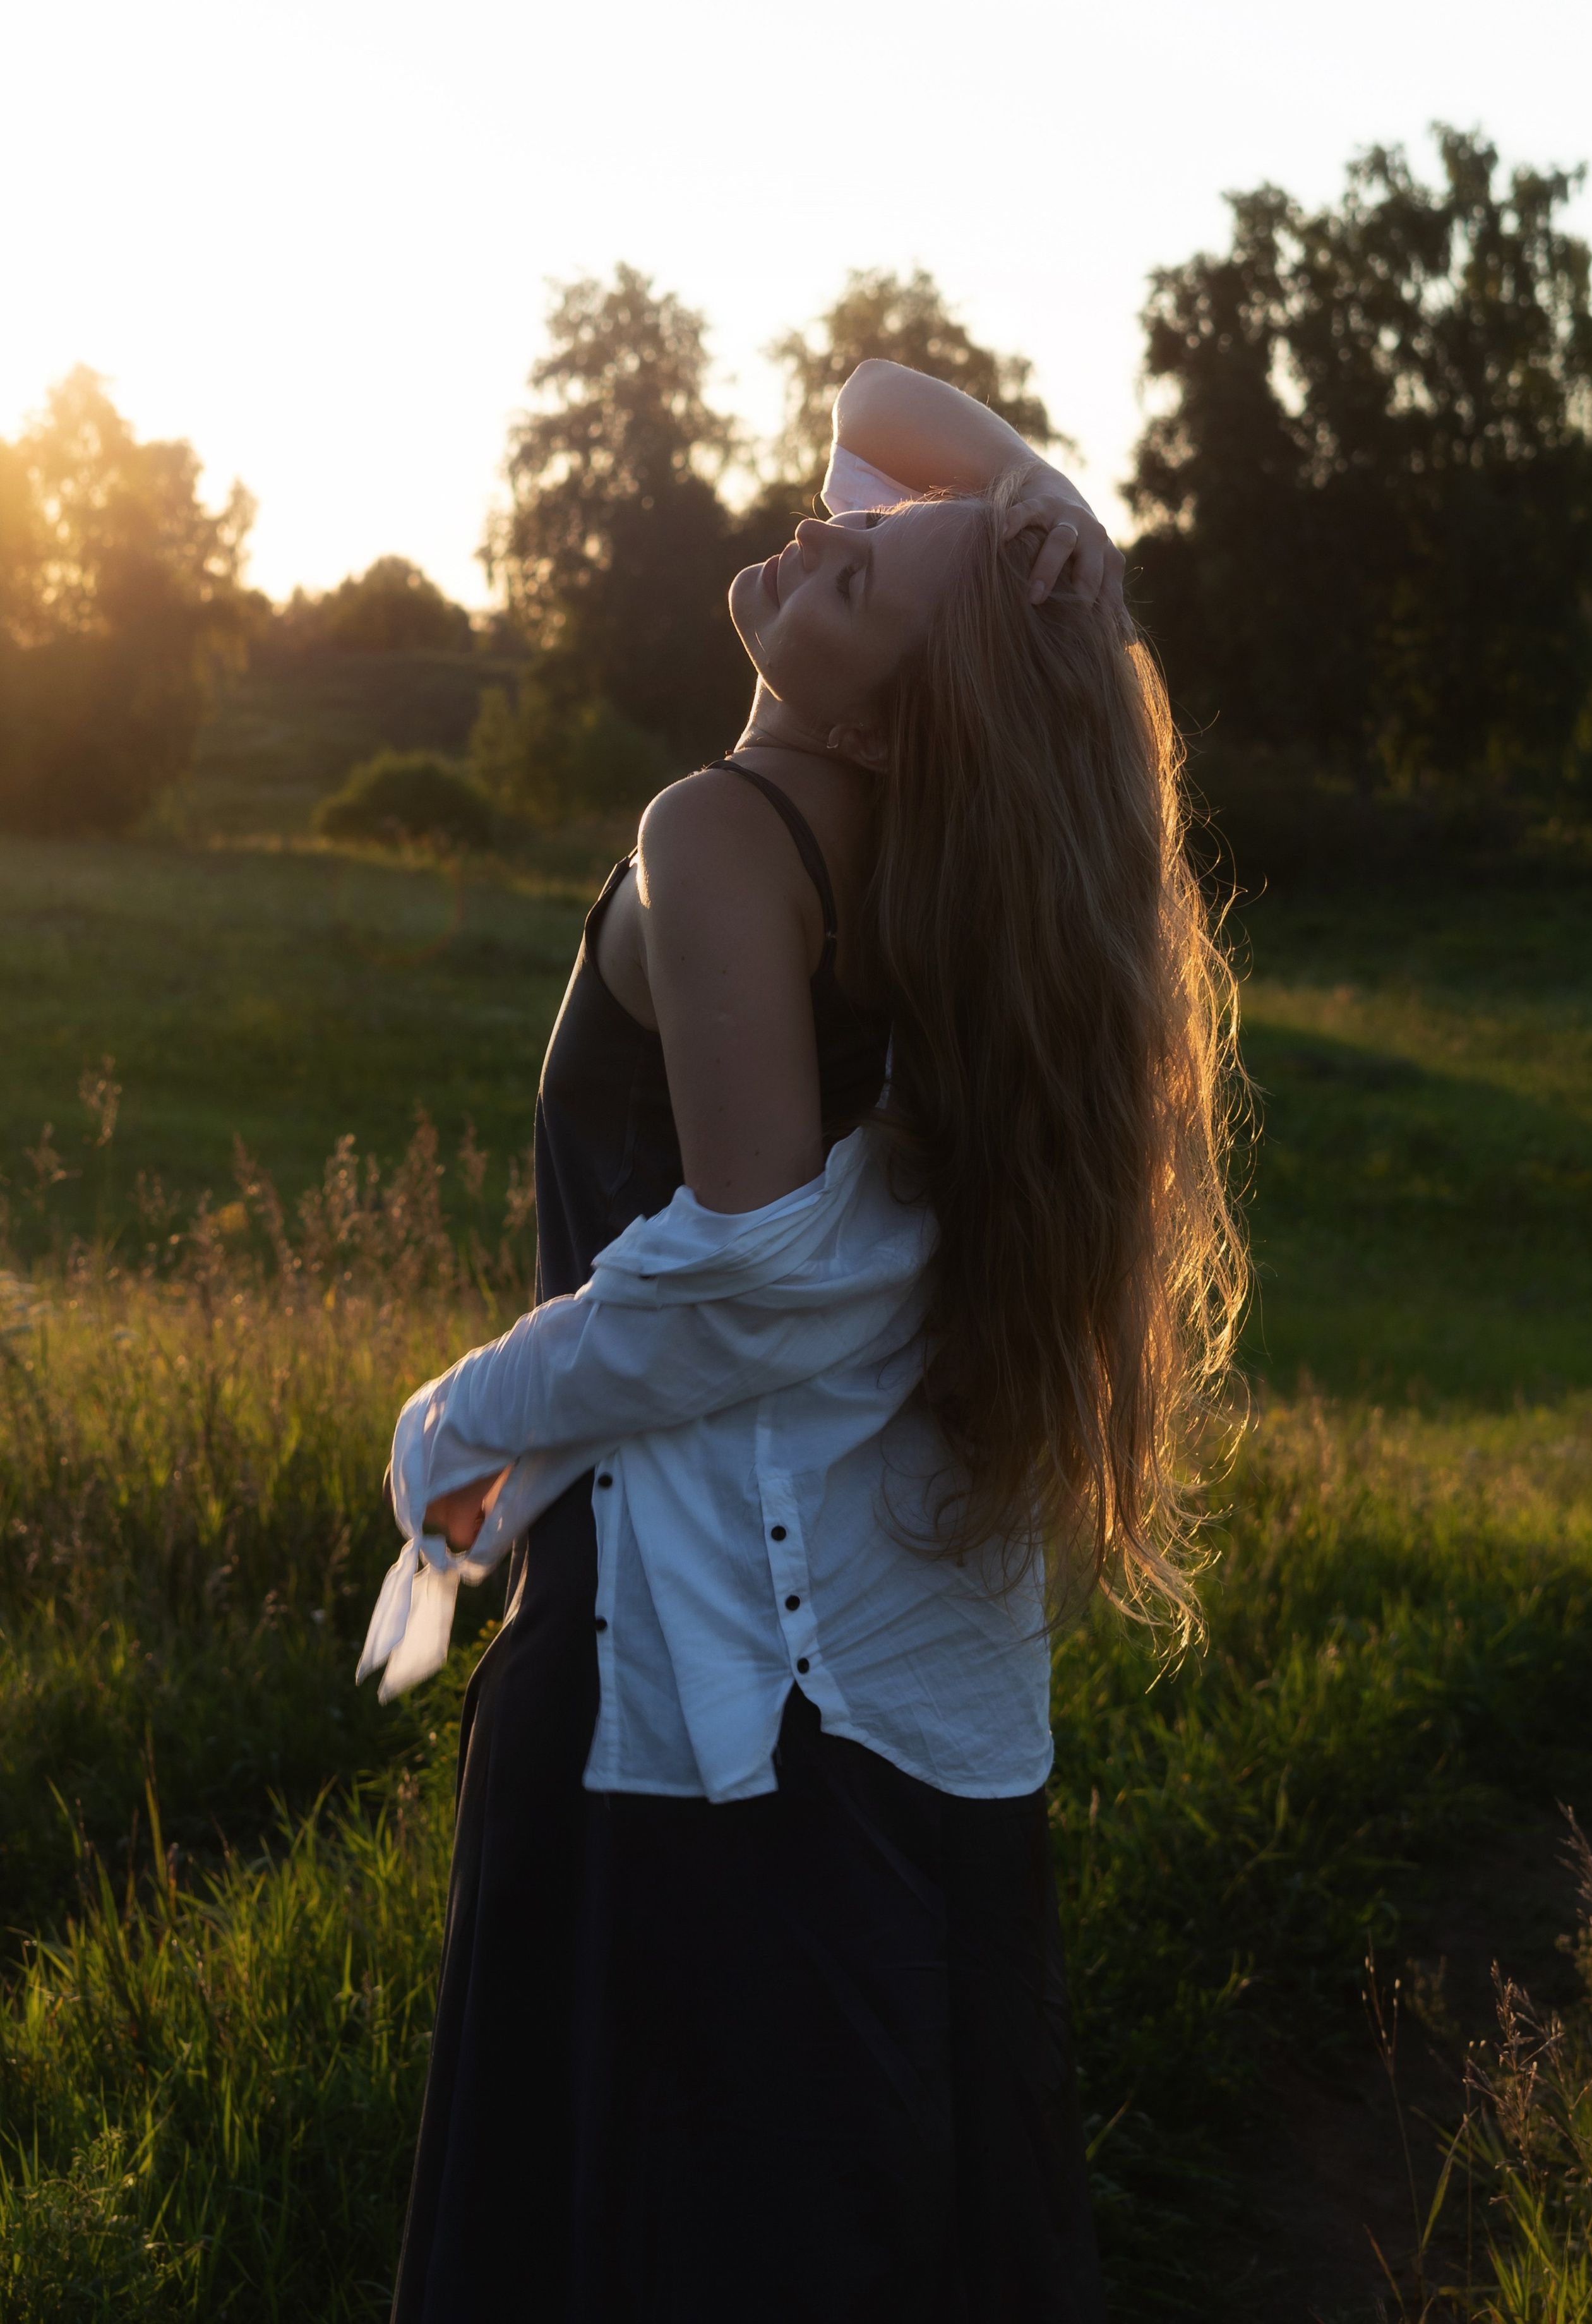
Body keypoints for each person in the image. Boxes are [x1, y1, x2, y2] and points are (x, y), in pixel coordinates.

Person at [368, 359, 1247, 2322]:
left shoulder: (727, 827)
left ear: (876, 707)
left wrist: (454, 1426)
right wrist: (1038, 520)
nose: (818, 527)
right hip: (889, 1708)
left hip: (676, 1690)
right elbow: (877, 398)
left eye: (860, 573)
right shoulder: (922, 879)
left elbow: (756, 1267)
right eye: (851, 527)